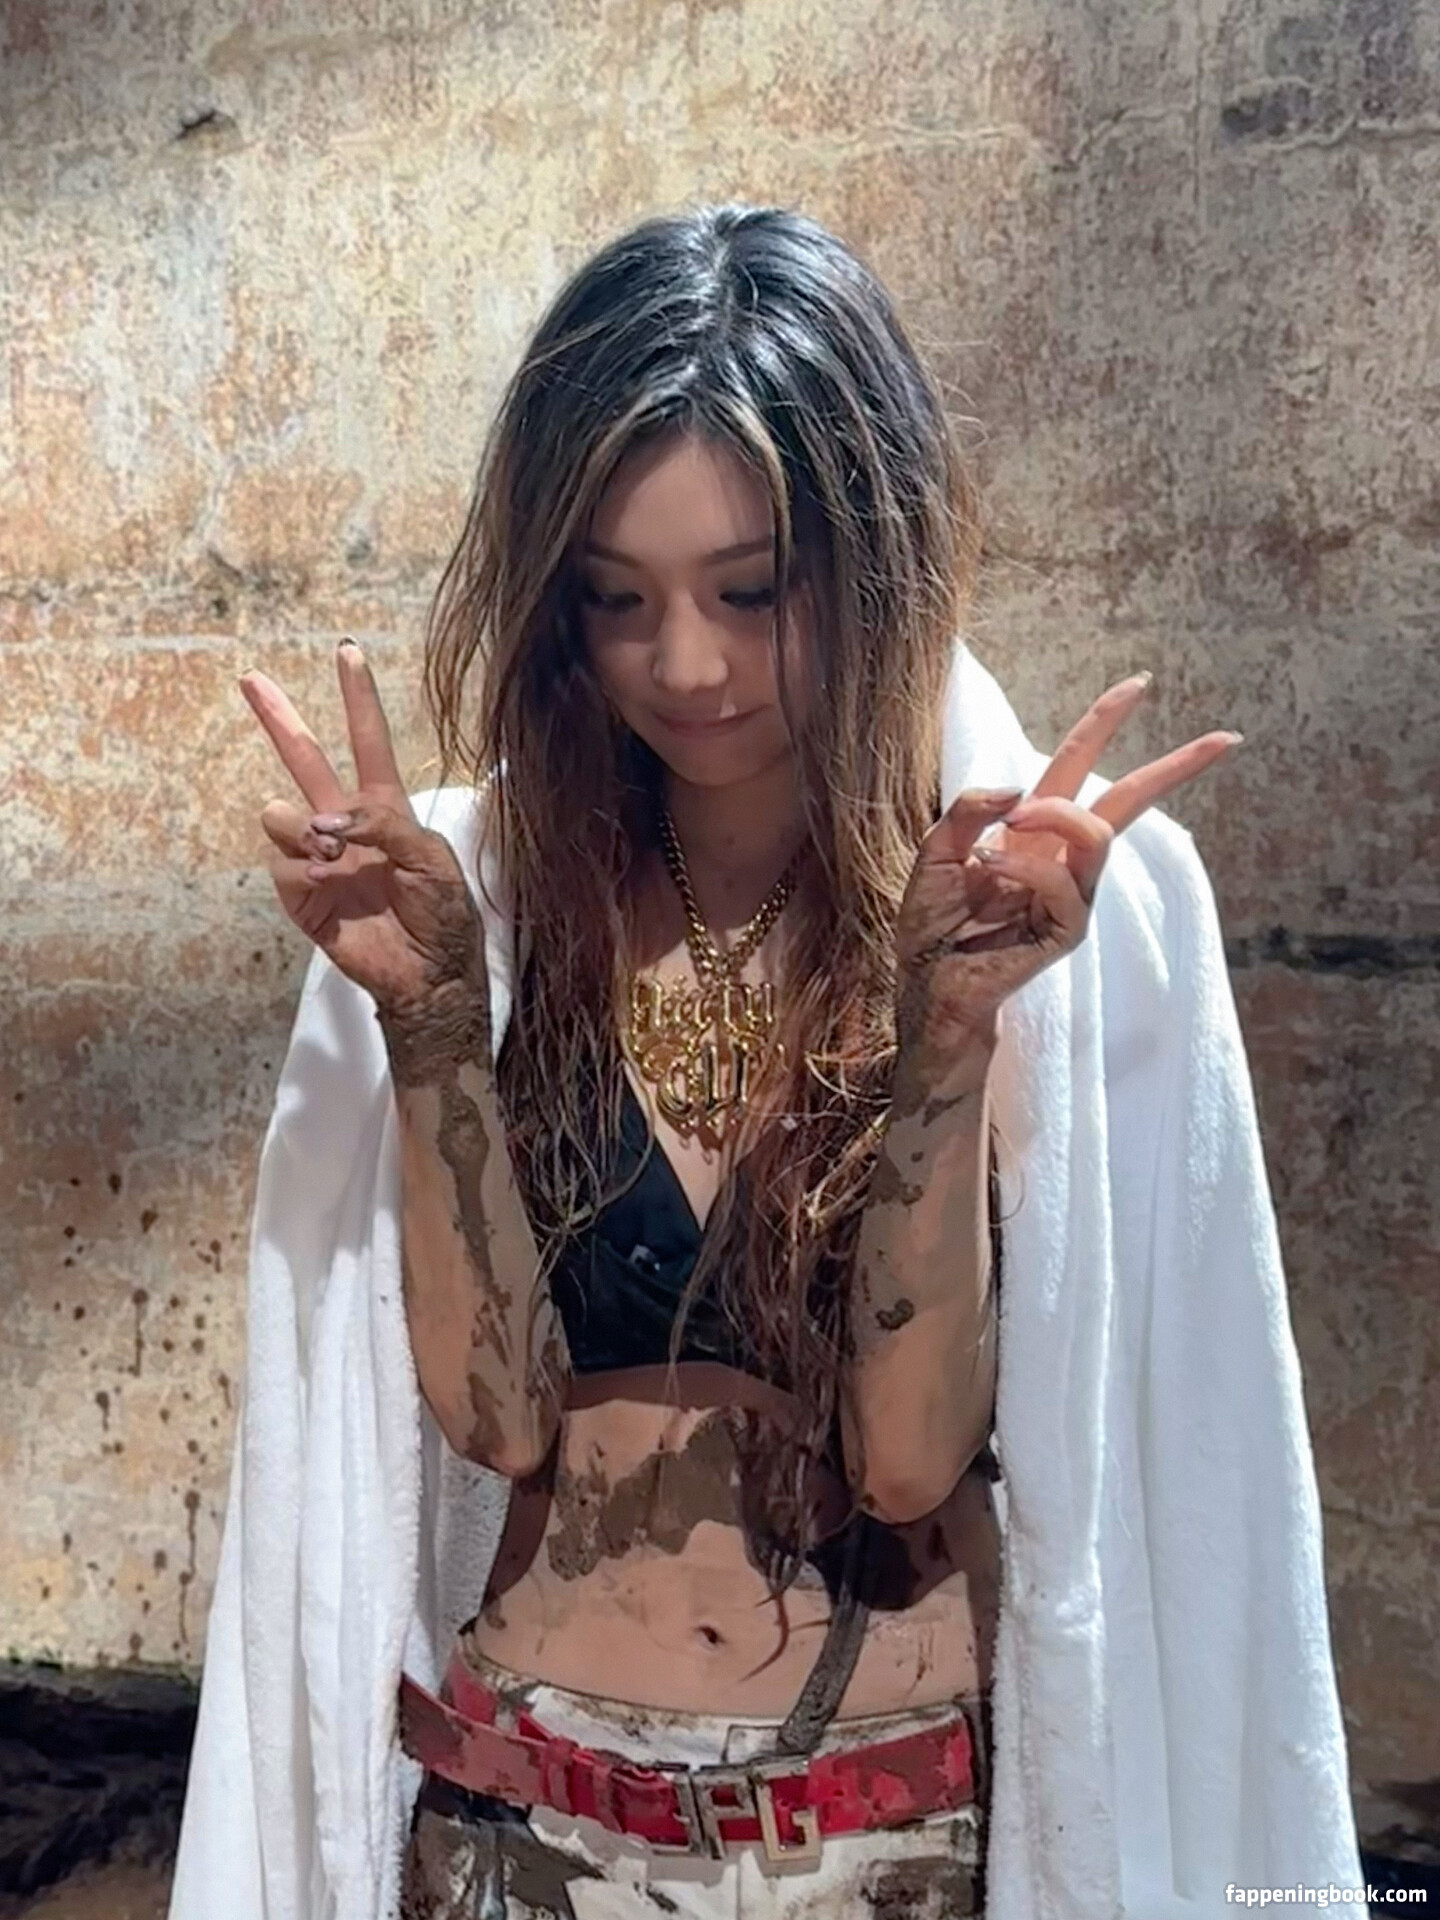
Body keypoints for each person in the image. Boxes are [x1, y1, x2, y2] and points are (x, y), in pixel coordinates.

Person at [236, 205, 1238, 1917]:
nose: (685, 664)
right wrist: (431, 1031)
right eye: (616, 599)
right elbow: (495, 1423)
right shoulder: (503, 904)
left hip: (872, 1840)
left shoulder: (1025, 908)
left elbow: (908, 1463)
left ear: (876, 555)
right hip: (514, 1824)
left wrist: (946, 1038)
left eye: (753, 589)